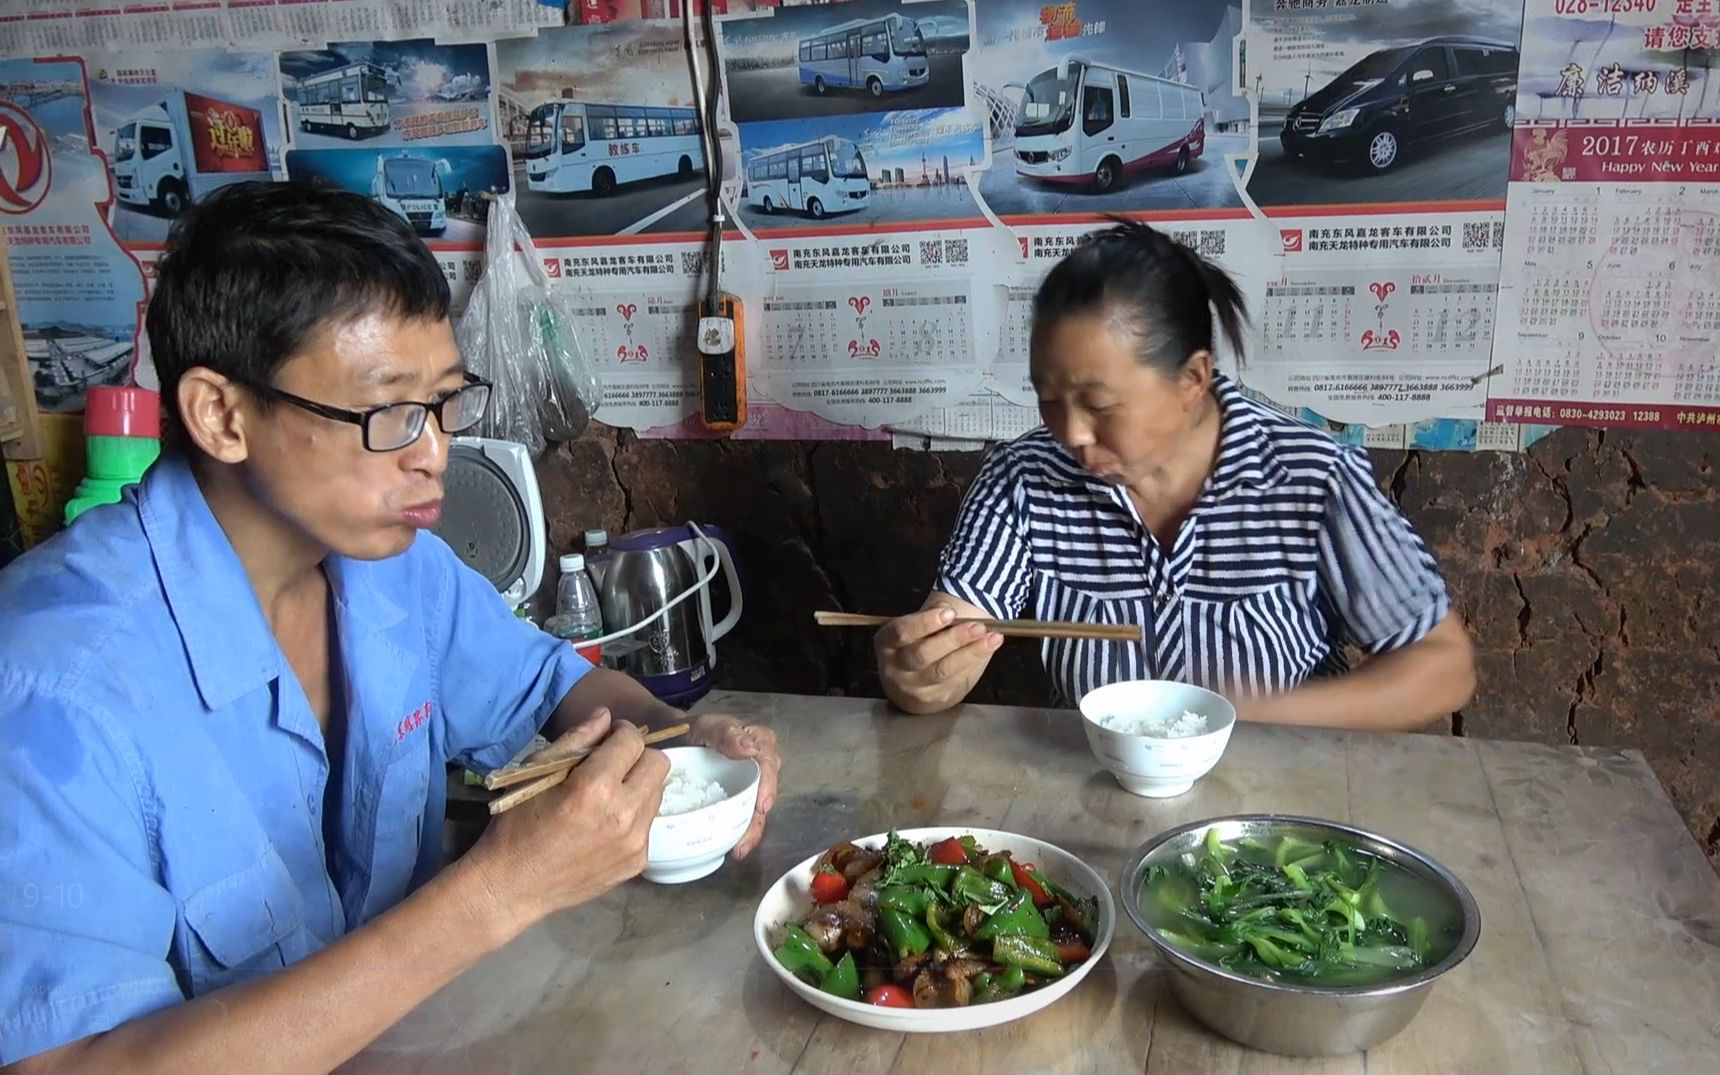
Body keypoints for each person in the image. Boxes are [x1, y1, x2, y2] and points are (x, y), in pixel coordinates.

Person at [0, 181, 783, 1072]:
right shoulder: (46, 690)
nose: (435, 452)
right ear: (221, 414)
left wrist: (683, 742)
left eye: (446, 402)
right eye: (389, 414)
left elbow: (556, 688)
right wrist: (500, 890)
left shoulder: (395, 571)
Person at [875, 219, 1475, 732]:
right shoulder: (1022, 479)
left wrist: (1260, 718)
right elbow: (951, 626)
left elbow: (1442, 665)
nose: (1072, 433)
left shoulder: (1311, 479)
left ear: (1193, 380)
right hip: (1094, 795)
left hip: (1275, 816)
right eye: (1048, 398)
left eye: (1101, 405)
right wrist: (921, 676)